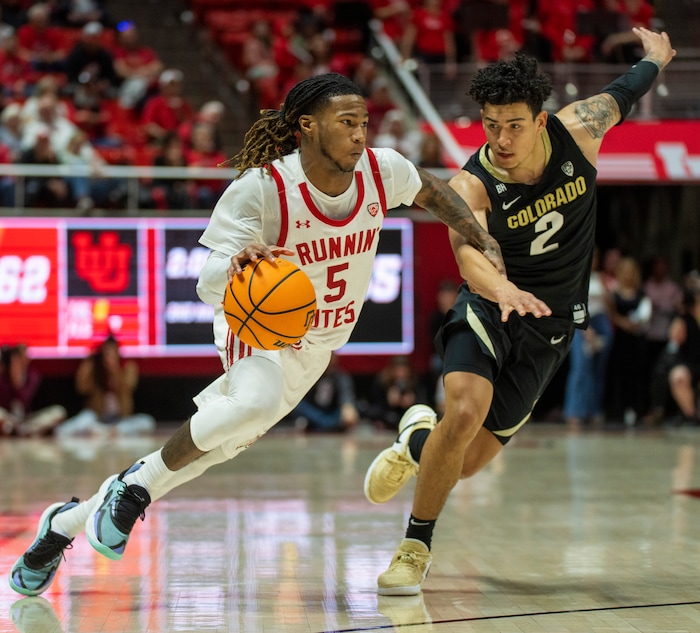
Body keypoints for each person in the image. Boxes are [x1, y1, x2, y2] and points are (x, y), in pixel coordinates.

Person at [9, 72, 505, 597]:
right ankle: (134, 486)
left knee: (215, 448)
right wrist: (237, 266)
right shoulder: (263, 189)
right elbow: (206, 282)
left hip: (317, 348)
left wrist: (479, 236)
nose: (361, 135)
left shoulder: (383, 171)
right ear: (306, 127)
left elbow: (433, 190)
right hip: (259, 328)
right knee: (252, 401)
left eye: (364, 123)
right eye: (347, 123)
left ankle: (63, 524)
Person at [363, 27, 675, 595]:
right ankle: (415, 547)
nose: (501, 139)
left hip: (550, 327)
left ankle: (413, 443)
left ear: (539, 119)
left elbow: (625, 91)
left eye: (513, 125)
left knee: (466, 460)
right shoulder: (473, 185)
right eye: (490, 125)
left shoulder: (581, 131)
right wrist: (499, 289)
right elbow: (469, 254)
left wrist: (655, 56)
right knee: (462, 411)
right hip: (489, 306)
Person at [54, 334, 155, 438]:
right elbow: (82, 388)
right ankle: (103, 431)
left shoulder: (128, 367)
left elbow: (127, 388)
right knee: (83, 419)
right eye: (107, 353)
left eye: (113, 352)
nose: (110, 356)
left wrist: (114, 370)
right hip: (97, 419)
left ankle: (114, 431)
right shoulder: (96, 369)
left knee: (147, 422)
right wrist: (89, 362)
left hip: (121, 420)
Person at [562, 248, 613, 429]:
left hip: (601, 323)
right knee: (580, 368)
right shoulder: (578, 276)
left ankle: (593, 409)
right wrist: (585, 328)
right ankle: (574, 411)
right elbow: (574, 303)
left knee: (597, 370)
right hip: (582, 323)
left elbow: (608, 306)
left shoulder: (601, 278)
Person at [0, 344, 66, 437]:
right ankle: (18, 431)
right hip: (8, 417)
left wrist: (17, 381)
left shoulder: (33, 376)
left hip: (27, 419)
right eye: (17, 357)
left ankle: (22, 431)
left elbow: (24, 399)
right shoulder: (2, 376)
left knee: (58, 411)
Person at [290, 352, 359, 432]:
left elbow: (346, 396)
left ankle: (322, 424)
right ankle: (328, 425)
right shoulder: (310, 375)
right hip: (314, 411)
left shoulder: (341, 376)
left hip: (332, 411)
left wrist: (348, 406)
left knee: (355, 408)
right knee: (297, 405)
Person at [665, 288, 700, 426]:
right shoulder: (682, 320)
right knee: (678, 377)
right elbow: (674, 341)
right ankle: (692, 417)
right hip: (688, 363)